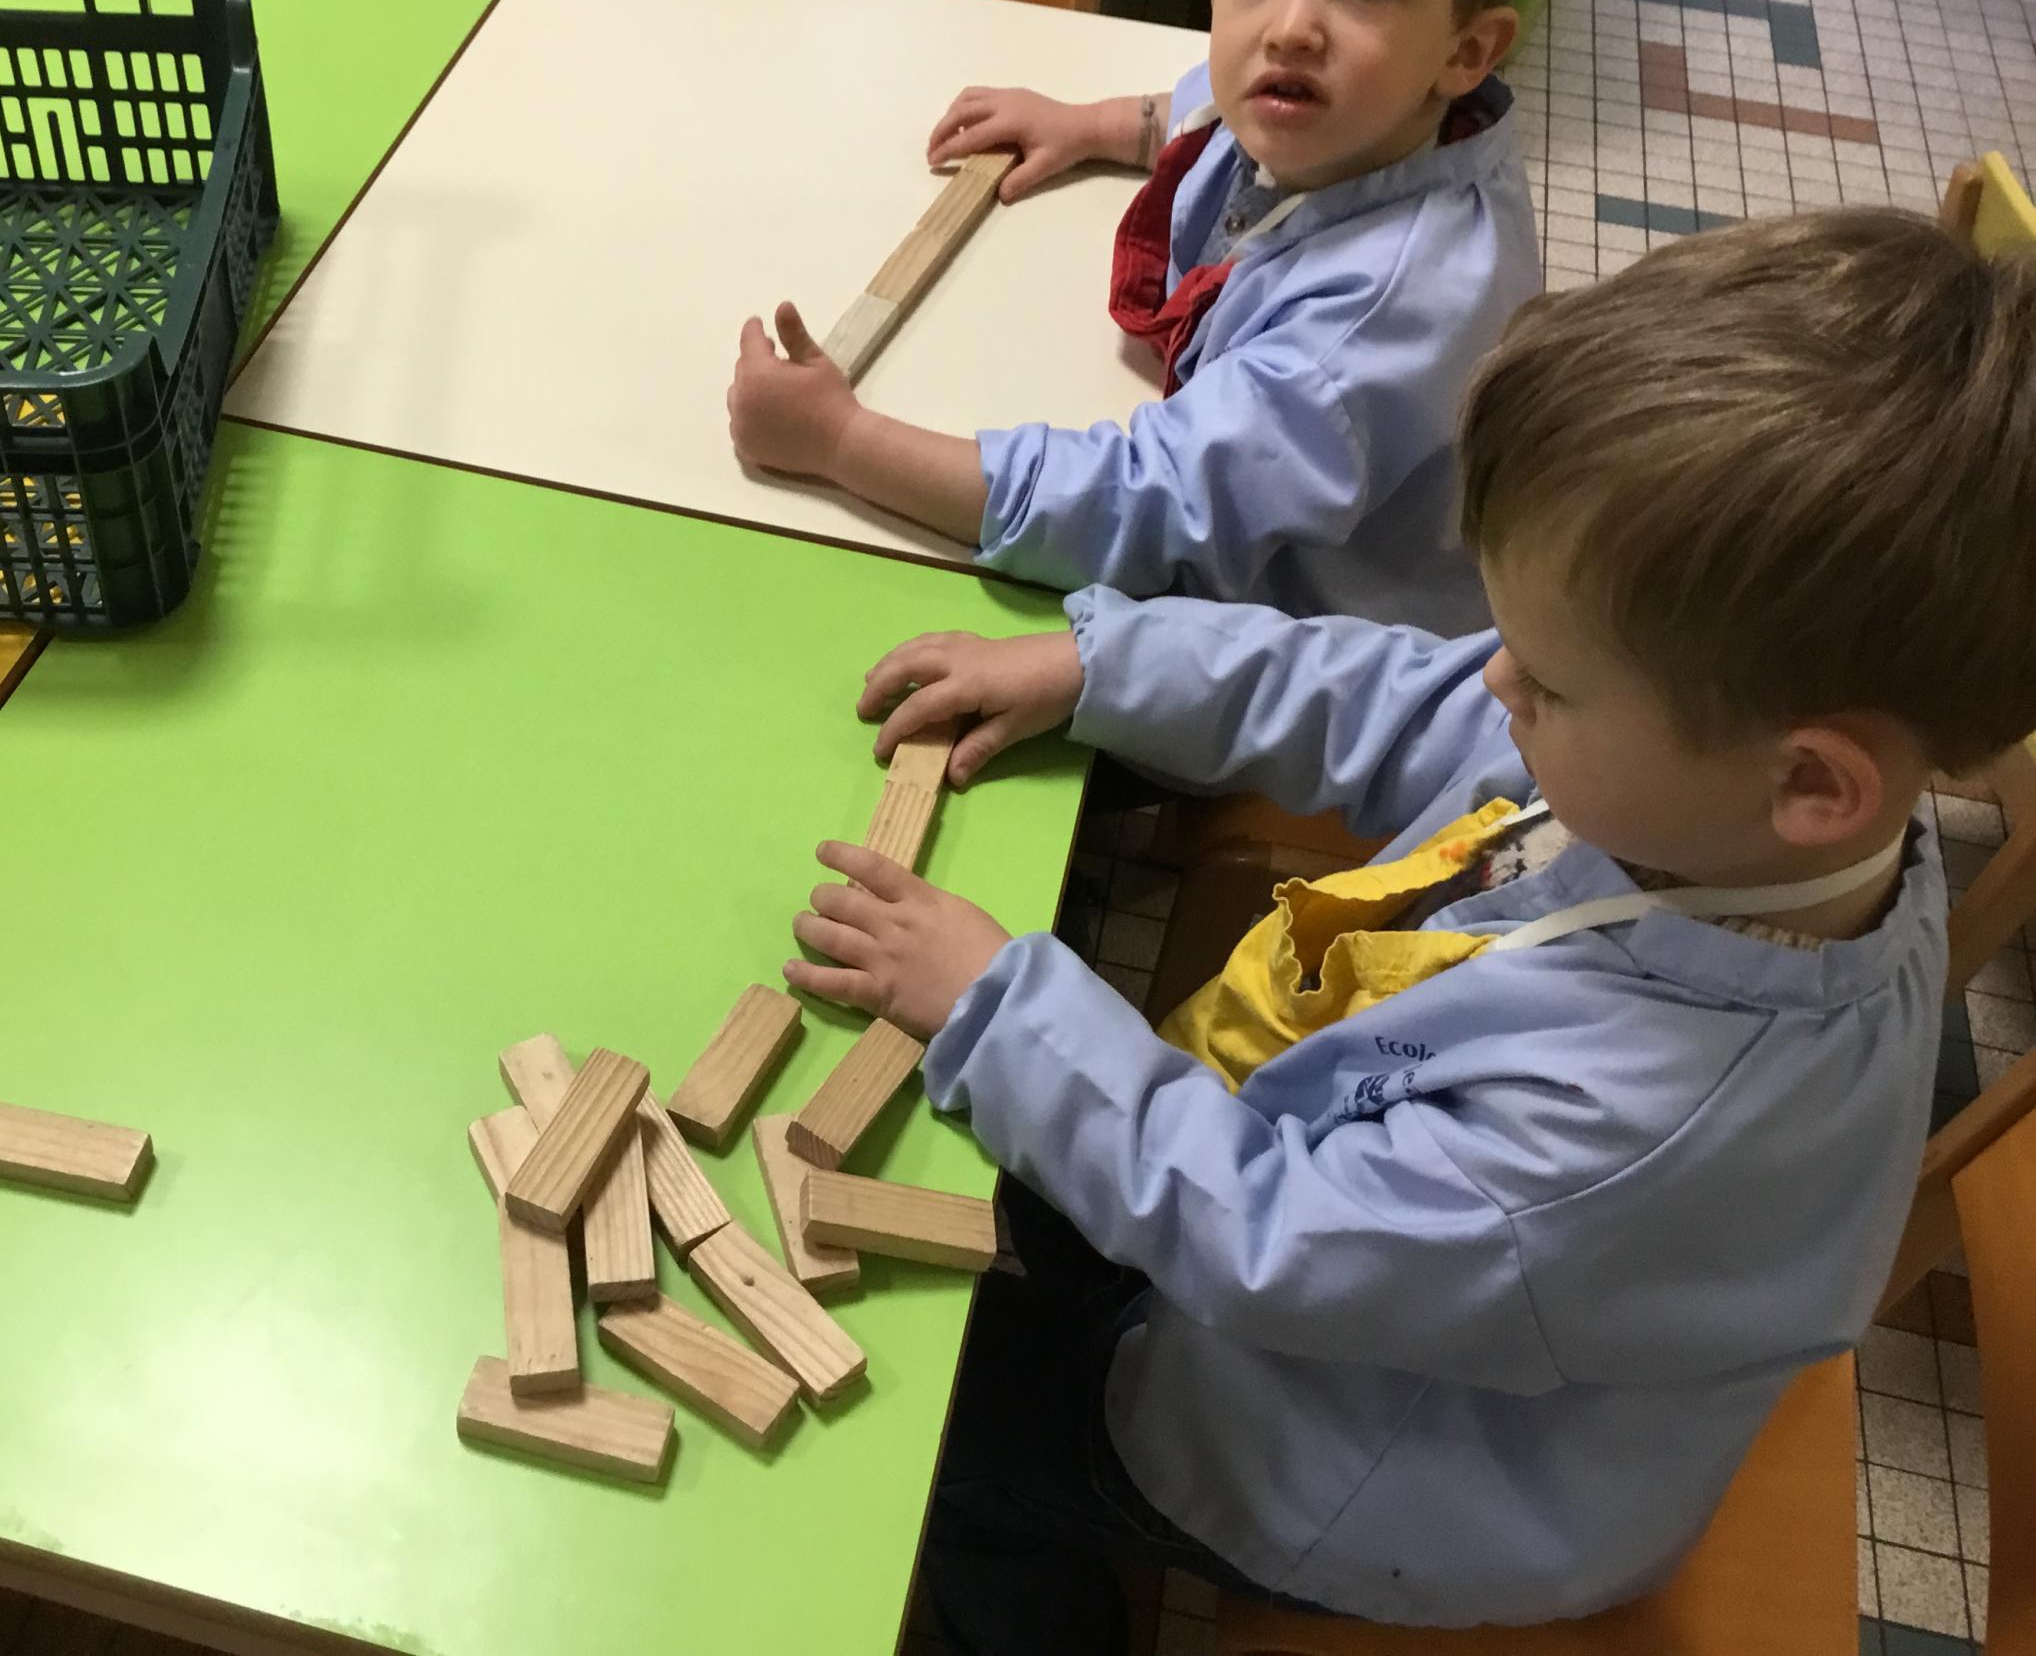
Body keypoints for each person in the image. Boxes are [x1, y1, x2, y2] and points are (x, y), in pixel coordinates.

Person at [778, 210, 2036, 1642]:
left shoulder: (1634, 1129)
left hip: (1353, 1465)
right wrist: (1099, 664)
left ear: (1813, 782)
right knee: (996, 1194)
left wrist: (1001, 1008)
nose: (1496, 681)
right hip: (1361, 1239)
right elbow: (1388, 696)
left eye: (1547, 680)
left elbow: (1268, 1237)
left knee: (944, 1444)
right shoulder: (1741, 812)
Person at [726, 0, 1543, 634]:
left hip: (1310, 634)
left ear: (1467, 50)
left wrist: (838, 441)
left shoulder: (1378, 314)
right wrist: (1092, 124)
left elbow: (1138, 512)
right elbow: (1204, 110)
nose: (1290, 28)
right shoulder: (1358, 115)